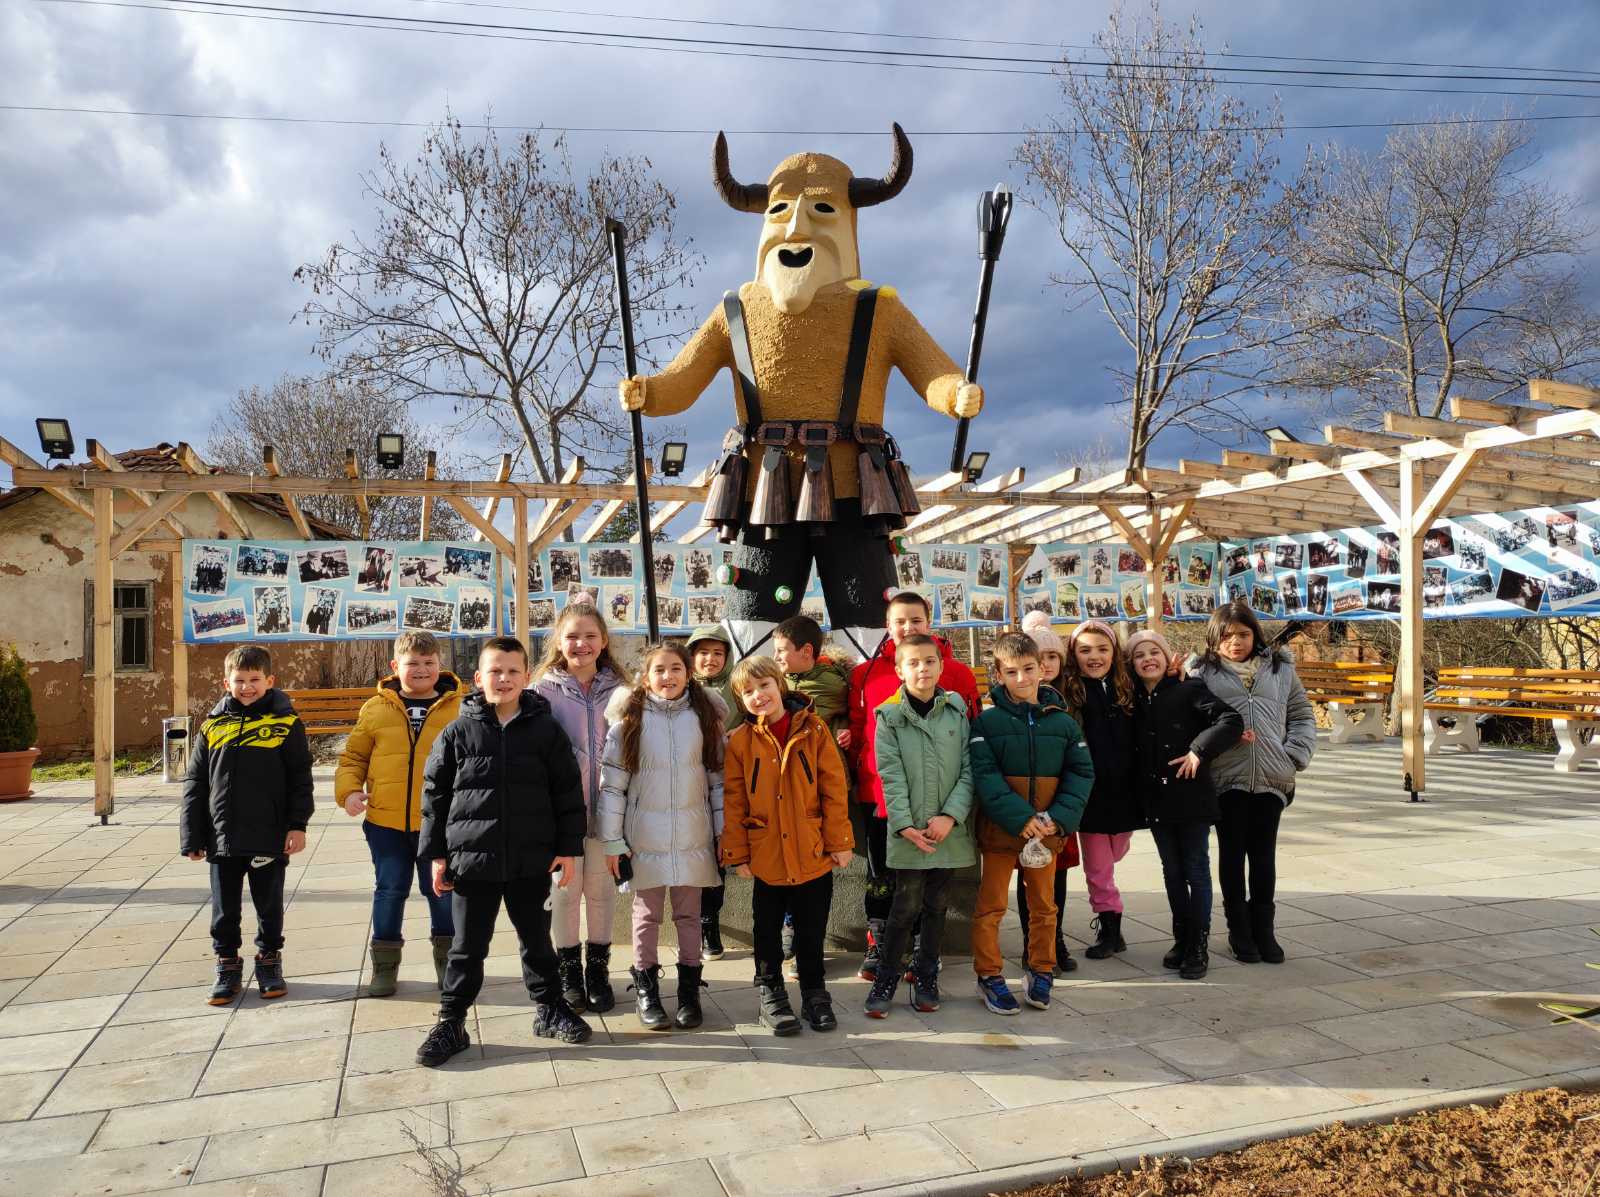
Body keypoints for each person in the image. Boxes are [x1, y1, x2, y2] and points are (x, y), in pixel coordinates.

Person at [414, 637, 589, 1067]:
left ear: (526, 677)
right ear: (479, 678)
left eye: (513, 671)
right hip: (472, 862)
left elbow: (567, 793)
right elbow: (434, 797)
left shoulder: (546, 731)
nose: (504, 679)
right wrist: (437, 855)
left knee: (537, 942)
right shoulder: (457, 733)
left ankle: (549, 1008)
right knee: (467, 947)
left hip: (532, 861)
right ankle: (452, 1021)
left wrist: (567, 849)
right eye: (495, 671)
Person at [847, 591, 979, 981]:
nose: (908, 628)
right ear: (887, 626)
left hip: (938, 795)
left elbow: (970, 734)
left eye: (916, 620)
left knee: (932, 878)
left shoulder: (956, 674)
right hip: (880, 794)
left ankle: (925, 948)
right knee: (882, 874)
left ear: (929, 623)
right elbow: (858, 728)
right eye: (900, 621)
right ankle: (878, 943)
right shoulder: (865, 673)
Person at [597, 642, 727, 1031]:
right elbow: (612, 787)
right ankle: (647, 990)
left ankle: (689, 992)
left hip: (693, 835)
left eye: (675, 669)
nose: (667, 677)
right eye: (659, 670)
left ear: (688, 673)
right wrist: (613, 841)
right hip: (644, 838)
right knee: (646, 915)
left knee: (690, 915)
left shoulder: (704, 719)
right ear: (646, 677)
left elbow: (718, 783)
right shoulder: (629, 722)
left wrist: (723, 833)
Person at [722, 656, 854, 1036]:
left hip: (812, 848)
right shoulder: (740, 742)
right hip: (767, 853)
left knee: (811, 928)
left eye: (764, 685)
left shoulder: (814, 729)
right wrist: (738, 853)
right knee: (766, 929)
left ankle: (814, 991)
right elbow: (734, 800)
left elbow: (833, 788)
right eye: (748, 691)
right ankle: (771, 992)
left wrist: (840, 840)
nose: (758, 695)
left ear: (779, 685)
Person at [969, 632, 1095, 1015]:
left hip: (1047, 833)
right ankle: (989, 974)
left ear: (1042, 669)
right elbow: (985, 776)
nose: (1021, 678)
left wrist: (1056, 819)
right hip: (1000, 833)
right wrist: (1021, 817)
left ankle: (1041, 968)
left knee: (1044, 906)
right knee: (991, 906)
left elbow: (1081, 773)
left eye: (1028, 669)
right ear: (999, 675)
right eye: (1011, 672)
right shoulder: (986, 723)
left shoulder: (1064, 723)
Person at [180, 645, 313, 1006]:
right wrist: (192, 835)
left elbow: (300, 778)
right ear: (227, 683)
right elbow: (195, 783)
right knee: (224, 908)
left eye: (255, 679)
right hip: (221, 837)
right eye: (239, 680)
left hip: (269, 836)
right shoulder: (212, 726)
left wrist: (297, 825)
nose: (247, 687)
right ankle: (227, 964)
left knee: (268, 906)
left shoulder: (286, 723)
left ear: (270, 681)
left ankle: (269, 960)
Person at [335, 631, 464, 997]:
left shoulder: (460, 708)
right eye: (412, 663)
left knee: (441, 892)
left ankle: (449, 963)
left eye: (428, 662)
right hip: (386, 824)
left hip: (439, 826)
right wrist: (348, 792)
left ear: (440, 664)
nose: (421, 669)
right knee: (389, 890)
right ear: (395, 666)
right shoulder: (376, 708)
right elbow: (354, 757)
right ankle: (385, 967)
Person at [1187, 602, 1316, 965]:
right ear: (1214, 639)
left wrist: (1294, 755)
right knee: (1231, 854)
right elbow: (1190, 720)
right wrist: (1211, 748)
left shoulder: (1280, 669)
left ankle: (1264, 929)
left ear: (1255, 634)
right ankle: (1239, 930)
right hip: (1226, 777)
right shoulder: (1200, 673)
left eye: (1243, 634)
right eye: (1227, 636)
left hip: (1273, 776)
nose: (1236, 642)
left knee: (1263, 856)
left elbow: (1301, 714)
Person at [862, 633, 975, 1018]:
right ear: (899, 670)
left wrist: (950, 816)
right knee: (904, 906)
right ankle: (886, 976)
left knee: (938, 905)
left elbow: (968, 769)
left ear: (941, 666)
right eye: (913, 663)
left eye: (929, 661)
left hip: (947, 829)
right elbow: (889, 775)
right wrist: (905, 825)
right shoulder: (889, 717)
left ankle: (926, 973)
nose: (922, 668)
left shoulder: (956, 711)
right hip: (909, 832)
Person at [1126, 629, 1243, 982]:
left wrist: (1198, 751)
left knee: (1196, 869)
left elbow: (1230, 720)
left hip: (1191, 796)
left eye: (1154, 652)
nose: (1148, 659)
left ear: (1167, 657)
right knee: (1172, 871)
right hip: (1156, 799)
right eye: (1139, 655)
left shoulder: (1188, 688)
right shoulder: (1131, 697)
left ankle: (1198, 945)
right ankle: (1182, 938)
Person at [532, 603, 629, 1014]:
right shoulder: (541, 692)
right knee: (565, 893)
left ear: (603, 641)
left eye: (590, 636)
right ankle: (569, 971)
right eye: (572, 636)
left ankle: (598, 971)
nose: (581, 644)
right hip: (562, 816)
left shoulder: (623, 689)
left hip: (609, 813)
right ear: (558, 641)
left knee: (602, 893)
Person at [772, 613, 853, 976]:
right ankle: (791, 926)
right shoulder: (779, 681)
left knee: (816, 867)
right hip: (784, 786)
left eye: (781, 651)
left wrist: (847, 727)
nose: (776, 657)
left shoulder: (830, 684)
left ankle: (808, 940)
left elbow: (851, 713)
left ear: (806, 651)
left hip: (819, 787)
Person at [1060, 620, 1141, 961]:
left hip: (1125, 791)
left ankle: (1110, 914)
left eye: (1102, 649)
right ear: (1074, 655)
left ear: (1114, 653)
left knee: (1117, 851)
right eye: (1085, 650)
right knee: (1099, 866)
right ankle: (1110, 926)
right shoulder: (1070, 690)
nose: (1094, 656)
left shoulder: (1128, 686)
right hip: (1089, 795)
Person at [1015, 610, 1079, 975]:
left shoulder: (1072, 697)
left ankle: (1055, 937)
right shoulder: (1016, 700)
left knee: (1060, 874)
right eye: (1039, 657)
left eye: (1053, 656)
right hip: (1027, 803)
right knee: (1030, 874)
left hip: (1062, 801)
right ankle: (1033, 943)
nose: (1046, 663)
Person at [687, 623, 740, 959]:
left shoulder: (737, 687)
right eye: (703, 652)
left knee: (718, 855)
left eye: (718, 653)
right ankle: (690, 921)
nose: (710, 659)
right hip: (685, 786)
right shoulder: (681, 687)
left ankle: (710, 921)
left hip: (725, 785)